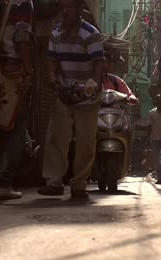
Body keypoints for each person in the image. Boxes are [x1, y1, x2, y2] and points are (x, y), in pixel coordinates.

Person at [38, 0, 104, 199]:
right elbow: (52, 62)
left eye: (70, 7)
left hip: (87, 96)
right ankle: (54, 182)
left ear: (79, 10)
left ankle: (79, 184)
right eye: (63, 7)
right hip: (64, 93)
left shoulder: (91, 34)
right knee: (57, 138)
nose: (65, 11)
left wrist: (88, 89)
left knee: (85, 140)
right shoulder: (56, 33)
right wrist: (52, 80)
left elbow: (98, 68)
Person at [0, 0, 34, 199]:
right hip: (13, 70)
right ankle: (2, 183)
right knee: (15, 128)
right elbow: (22, 36)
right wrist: (28, 72)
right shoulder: (21, 2)